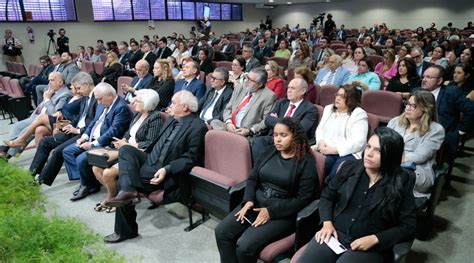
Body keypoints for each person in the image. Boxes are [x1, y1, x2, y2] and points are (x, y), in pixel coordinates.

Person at [295, 127, 417, 263]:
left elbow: (409, 226)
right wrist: (327, 223)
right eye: (368, 147)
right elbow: (328, 196)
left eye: (378, 151)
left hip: (369, 245)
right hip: (335, 234)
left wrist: (376, 239)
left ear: (391, 155)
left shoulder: (401, 181)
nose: (369, 154)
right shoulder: (349, 167)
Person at [102, 91, 207, 243]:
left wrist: (167, 169)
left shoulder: (197, 126)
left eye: (173, 103)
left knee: (123, 182)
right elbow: (156, 144)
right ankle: (129, 192)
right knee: (125, 149)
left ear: (185, 107)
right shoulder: (172, 119)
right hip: (150, 159)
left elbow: (192, 158)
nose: (170, 106)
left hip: (164, 170)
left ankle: (126, 229)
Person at [215, 117, 318, 263]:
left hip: (282, 212)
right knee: (221, 232)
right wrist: (248, 200)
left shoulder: (306, 162)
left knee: (245, 246)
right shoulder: (268, 151)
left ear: (295, 136)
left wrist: (270, 212)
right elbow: (252, 179)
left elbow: (303, 199)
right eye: (275, 135)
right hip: (256, 203)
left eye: (283, 135)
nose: (278, 140)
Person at [92, 89, 162, 213]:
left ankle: (113, 199)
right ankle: (115, 197)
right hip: (125, 150)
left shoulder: (155, 117)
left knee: (108, 173)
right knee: (96, 168)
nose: (134, 102)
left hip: (139, 155)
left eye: (137, 100)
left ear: (147, 103)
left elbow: (149, 143)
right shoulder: (137, 114)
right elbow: (128, 132)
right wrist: (123, 140)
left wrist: (127, 144)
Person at [63, 82, 132, 201]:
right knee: (67, 151)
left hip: (106, 144)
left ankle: (86, 185)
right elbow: (93, 123)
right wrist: (84, 136)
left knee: (81, 159)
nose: (98, 102)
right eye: (97, 99)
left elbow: (113, 132)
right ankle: (87, 182)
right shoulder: (102, 104)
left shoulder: (121, 108)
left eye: (100, 99)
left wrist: (92, 144)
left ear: (110, 95)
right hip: (91, 139)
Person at [27, 72, 97, 186]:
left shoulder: (97, 97)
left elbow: (95, 122)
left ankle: (41, 180)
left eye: (78, 88)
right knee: (45, 141)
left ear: (87, 84)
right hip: (74, 129)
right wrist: (68, 125)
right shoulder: (85, 98)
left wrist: (78, 130)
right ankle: (31, 174)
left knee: (57, 151)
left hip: (84, 133)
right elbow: (80, 117)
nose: (77, 91)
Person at [419, 65, 474, 187]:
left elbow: (471, 110)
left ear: (439, 81)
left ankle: (439, 183)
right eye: (423, 77)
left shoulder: (451, 92)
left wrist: (461, 131)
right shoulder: (418, 92)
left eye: (429, 77)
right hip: (419, 132)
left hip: (445, 133)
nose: (424, 79)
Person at [387, 91, 445, 201]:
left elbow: (419, 156)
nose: (408, 108)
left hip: (416, 170)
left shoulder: (436, 130)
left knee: (386, 179)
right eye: (407, 104)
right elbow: (383, 143)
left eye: (414, 106)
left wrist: (388, 157)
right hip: (389, 164)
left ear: (426, 108)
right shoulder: (395, 121)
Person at [0, 72, 72, 159]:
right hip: (37, 116)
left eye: (52, 80)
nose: (49, 82)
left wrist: (47, 99)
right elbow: (40, 105)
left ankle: (7, 153)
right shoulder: (51, 90)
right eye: (49, 80)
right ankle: (8, 149)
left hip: (48, 120)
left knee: (27, 130)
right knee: (17, 126)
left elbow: (55, 114)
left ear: (61, 82)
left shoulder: (65, 94)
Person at [312, 84, 368, 179]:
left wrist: (334, 150)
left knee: (334, 171)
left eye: (342, 96)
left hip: (347, 153)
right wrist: (320, 142)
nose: (337, 98)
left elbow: (359, 142)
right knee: (307, 161)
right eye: (337, 95)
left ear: (352, 99)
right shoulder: (329, 109)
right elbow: (320, 129)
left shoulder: (359, 114)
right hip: (324, 148)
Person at [252, 78, 318, 158]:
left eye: (293, 88)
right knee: (258, 142)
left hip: (291, 142)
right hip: (273, 138)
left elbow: (300, 129)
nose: (289, 90)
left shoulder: (310, 109)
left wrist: (277, 120)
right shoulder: (282, 102)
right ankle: (257, 169)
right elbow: (268, 120)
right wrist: (289, 123)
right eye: (288, 87)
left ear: (303, 91)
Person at [211, 67, 276, 137]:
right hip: (230, 127)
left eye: (250, 80)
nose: (246, 81)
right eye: (247, 77)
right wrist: (228, 122)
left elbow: (266, 121)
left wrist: (249, 130)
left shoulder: (269, 96)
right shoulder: (240, 87)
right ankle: (230, 138)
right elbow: (228, 108)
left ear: (259, 84)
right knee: (214, 122)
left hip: (246, 132)